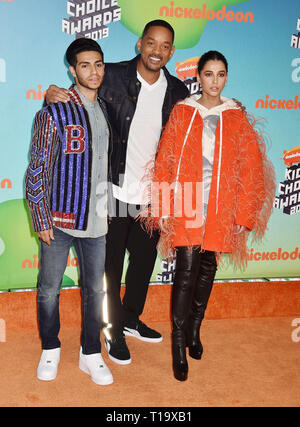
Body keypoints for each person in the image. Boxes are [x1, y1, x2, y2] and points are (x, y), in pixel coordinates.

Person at [46, 20, 189, 365]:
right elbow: (78, 98)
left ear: (171, 51)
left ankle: (129, 319)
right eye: (151, 43)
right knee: (109, 267)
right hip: (110, 188)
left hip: (150, 194)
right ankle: (111, 332)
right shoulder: (110, 74)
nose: (157, 50)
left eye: (165, 45)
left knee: (143, 262)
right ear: (140, 43)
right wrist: (54, 93)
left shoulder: (178, 92)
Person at [142, 51, 276, 381]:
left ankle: (193, 331)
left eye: (220, 74)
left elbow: (251, 167)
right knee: (186, 269)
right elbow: (165, 159)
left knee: (208, 267)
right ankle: (177, 344)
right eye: (208, 74)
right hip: (187, 201)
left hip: (221, 206)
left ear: (226, 77)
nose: (214, 81)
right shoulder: (184, 111)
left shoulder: (236, 116)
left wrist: (246, 211)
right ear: (198, 77)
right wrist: (161, 206)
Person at [25, 38, 114, 385]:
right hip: (59, 221)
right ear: (72, 70)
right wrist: (40, 216)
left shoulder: (106, 107)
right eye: (85, 65)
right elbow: (37, 167)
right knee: (49, 288)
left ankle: (90, 353)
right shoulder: (54, 111)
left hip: (97, 220)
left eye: (99, 64)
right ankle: (51, 347)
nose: (93, 71)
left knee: (96, 290)